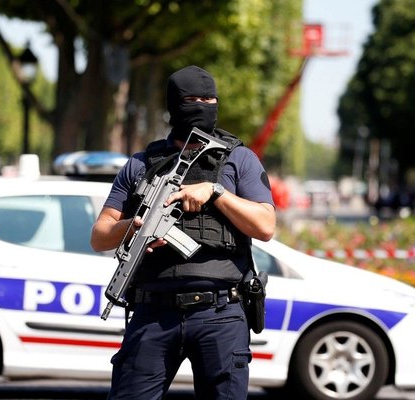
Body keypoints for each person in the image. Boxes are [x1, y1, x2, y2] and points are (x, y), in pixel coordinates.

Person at [91, 65, 276, 400]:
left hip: (220, 312)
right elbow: (99, 235)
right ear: (174, 105)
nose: (203, 106)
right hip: (152, 312)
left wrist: (215, 193)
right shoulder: (141, 165)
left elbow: (265, 226)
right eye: (193, 99)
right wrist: (131, 228)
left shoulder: (239, 160)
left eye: (210, 99)